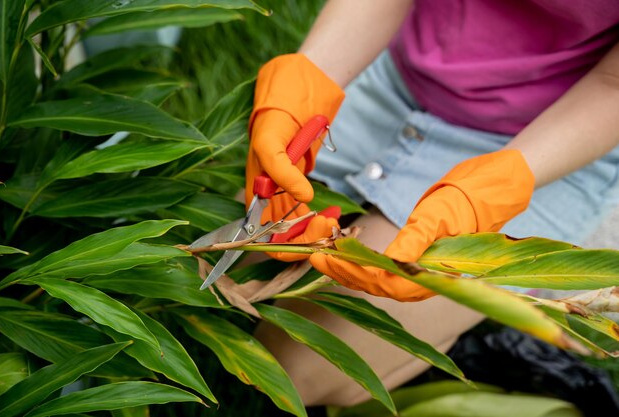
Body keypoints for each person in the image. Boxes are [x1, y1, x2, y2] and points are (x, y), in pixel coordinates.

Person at [247, 0, 619, 407]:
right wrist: (311, 78)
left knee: (298, 367)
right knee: (234, 271)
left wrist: (495, 187)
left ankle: (445, 341)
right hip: (403, 71)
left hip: (551, 137)